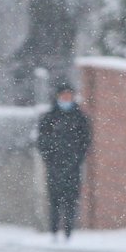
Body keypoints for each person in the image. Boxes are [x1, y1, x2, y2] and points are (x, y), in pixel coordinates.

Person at [36, 82, 92, 241]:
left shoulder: (80, 117)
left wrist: (77, 158)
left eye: (69, 95)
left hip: (73, 165)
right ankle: (54, 230)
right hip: (54, 165)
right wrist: (50, 158)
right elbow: (42, 140)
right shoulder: (49, 117)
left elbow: (85, 140)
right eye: (64, 95)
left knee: (71, 199)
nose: (67, 98)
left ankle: (68, 231)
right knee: (54, 199)